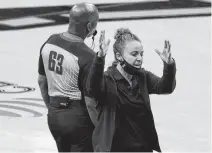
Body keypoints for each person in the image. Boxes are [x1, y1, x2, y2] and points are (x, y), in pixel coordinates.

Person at [86, 28, 177, 152]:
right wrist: (100, 58)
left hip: (142, 148)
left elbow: (166, 87)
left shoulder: (142, 76)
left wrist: (169, 65)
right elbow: (92, 88)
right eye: (134, 54)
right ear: (119, 56)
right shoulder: (108, 79)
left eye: (141, 54)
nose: (139, 58)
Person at [38, 2, 99, 152]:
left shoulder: (50, 42)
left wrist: (54, 110)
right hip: (78, 119)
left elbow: (41, 82)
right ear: (89, 26)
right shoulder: (88, 56)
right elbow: (91, 102)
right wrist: (101, 127)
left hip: (54, 116)